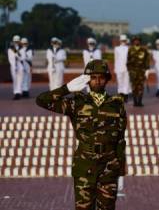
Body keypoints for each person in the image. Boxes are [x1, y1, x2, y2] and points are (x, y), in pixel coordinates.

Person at [36, 60, 126, 210]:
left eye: (101, 77)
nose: (97, 81)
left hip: (109, 167)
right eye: (93, 77)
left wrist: (121, 171)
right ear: (87, 80)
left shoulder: (116, 104)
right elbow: (41, 100)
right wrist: (67, 88)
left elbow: (120, 140)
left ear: (107, 79)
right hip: (85, 165)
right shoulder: (77, 103)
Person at [127, 37, 150, 107]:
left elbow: (147, 60)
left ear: (140, 42)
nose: (136, 42)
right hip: (133, 72)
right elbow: (128, 60)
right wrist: (129, 70)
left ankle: (139, 102)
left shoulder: (144, 50)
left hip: (141, 71)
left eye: (138, 41)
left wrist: (147, 70)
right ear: (133, 42)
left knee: (141, 87)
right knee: (134, 87)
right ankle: (135, 101)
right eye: (135, 41)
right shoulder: (130, 50)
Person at [114, 34, 131, 101]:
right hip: (119, 67)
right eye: (122, 40)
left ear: (126, 41)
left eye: (124, 40)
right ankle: (120, 94)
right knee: (120, 81)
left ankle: (125, 95)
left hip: (127, 68)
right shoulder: (117, 48)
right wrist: (115, 68)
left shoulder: (128, 49)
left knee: (126, 81)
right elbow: (116, 59)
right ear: (120, 41)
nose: (123, 41)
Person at [7, 35, 23, 100]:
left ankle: (19, 92)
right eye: (15, 41)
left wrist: (17, 55)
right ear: (13, 41)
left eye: (17, 41)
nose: (16, 42)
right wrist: (14, 66)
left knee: (20, 79)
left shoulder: (22, 49)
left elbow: (22, 57)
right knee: (15, 80)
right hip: (13, 66)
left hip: (20, 66)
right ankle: (16, 92)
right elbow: (10, 58)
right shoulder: (10, 49)